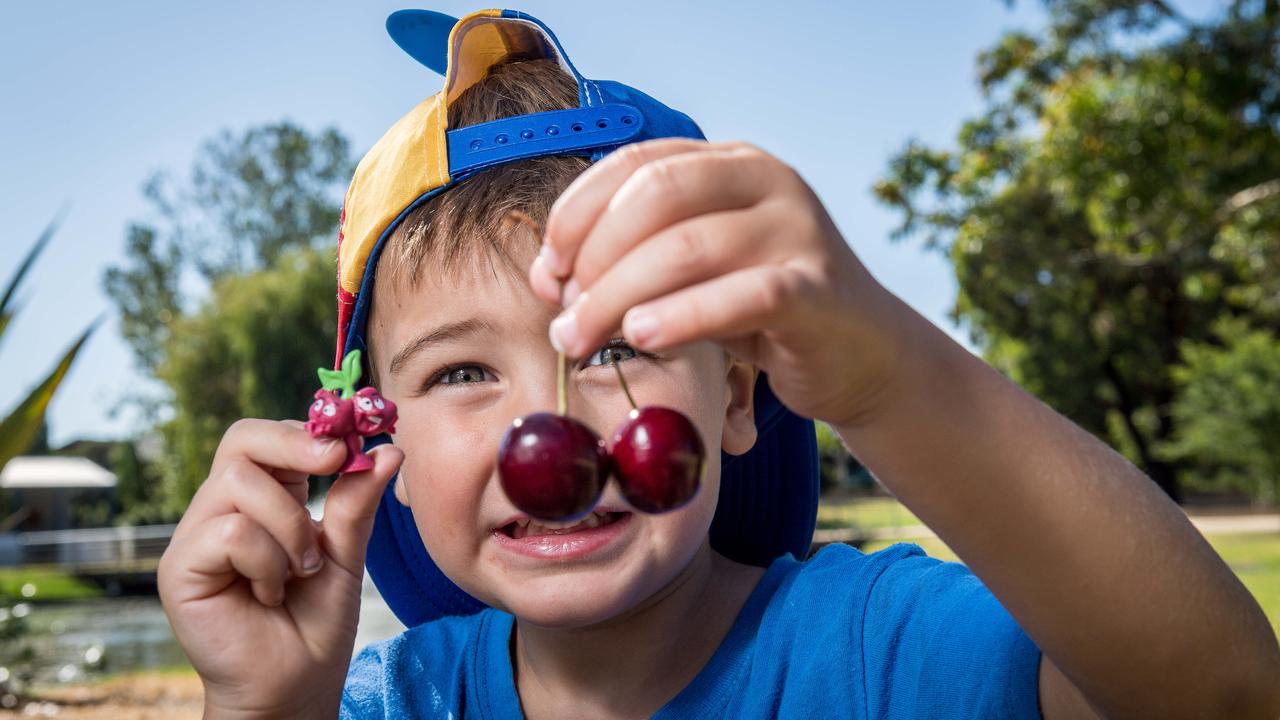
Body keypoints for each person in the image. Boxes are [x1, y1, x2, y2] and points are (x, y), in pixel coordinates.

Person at [157, 9, 1280, 720]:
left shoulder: (880, 647)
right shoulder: (375, 703)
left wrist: (884, 372)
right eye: (458, 374)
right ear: (372, 434)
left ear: (737, 394)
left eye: (615, 346)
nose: (549, 432)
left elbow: (1221, 695)